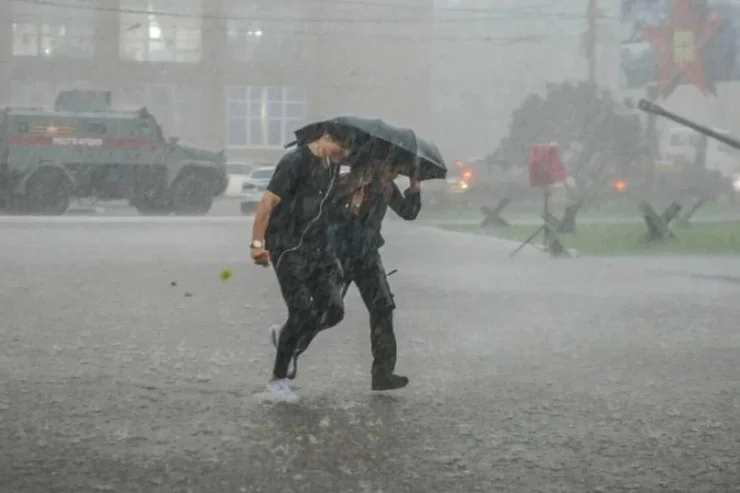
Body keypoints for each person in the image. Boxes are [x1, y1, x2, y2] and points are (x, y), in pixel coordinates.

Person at [270, 148, 422, 391]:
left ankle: (382, 373)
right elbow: (322, 213)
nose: (395, 174)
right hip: (338, 253)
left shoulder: (387, 188)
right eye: (392, 168)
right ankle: (291, 347)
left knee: (382, 306)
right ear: (378, 164)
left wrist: (415, 189)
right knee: (328, 310)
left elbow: (409, 213)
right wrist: (349, 204)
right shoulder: (348, 183)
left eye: (398, 171)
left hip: (368, 256)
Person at [250, 124, 355, 400]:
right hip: (287, 246)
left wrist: (353, 200)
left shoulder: (330, 166)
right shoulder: (294, 162)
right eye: (341, 148)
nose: (344, 155)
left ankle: (287, 338)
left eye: (347, 151)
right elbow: (267, 203)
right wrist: (257, 244)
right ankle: (277, 380)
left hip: (318, 249)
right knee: (301, 312)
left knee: (333, 310)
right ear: (327, 138)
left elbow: (327, 210)